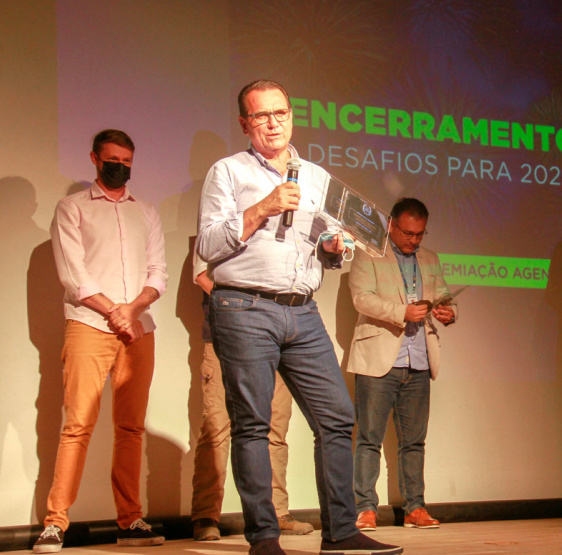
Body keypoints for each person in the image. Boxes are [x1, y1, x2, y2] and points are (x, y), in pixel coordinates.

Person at [196, 79, 401, 555]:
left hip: (301, 311)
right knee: (252, 424)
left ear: (292, 116)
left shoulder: (316, 177)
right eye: (262, 116)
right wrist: (263, 206)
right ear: (245, 123)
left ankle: (341, 530)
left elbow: (331, 249)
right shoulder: (226, 173)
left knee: (336, 416)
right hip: (243, 307)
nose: (273, 123)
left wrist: (334, 248)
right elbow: (207, 245)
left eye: (281, 113)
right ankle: (264, 538)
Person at [34, 130, 168, 553]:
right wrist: (116, 311)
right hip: (90, 326)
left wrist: (133, 310)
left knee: (130, 428)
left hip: (138, 330)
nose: (121, 167)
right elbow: (74, 277)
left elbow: (158, 272)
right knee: (77, 426)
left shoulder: (146, 211)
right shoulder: (71, 208)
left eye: (127, 161)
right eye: (113, 159)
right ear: (94, 159)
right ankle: (55, 522)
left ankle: (130, 520)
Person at [348, 198, 457, 532]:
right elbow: (361, 298)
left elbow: (443, 295)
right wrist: (401, 312)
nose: (414, 240)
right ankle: (365, 508)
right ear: (392, 225)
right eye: (408, 233)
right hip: (380, 358)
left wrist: (448, 313)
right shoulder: (369, 253)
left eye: (420, 234)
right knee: (369, 438)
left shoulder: (430, 258)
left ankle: (415, 508)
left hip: (419, 359)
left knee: (414, 441)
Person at [189, 255, 313, 540]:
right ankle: (206, 516)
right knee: (217, 427)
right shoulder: (218, 221)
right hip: (227, 335)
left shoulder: (282, 234)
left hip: (276, 338)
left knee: (275, 427)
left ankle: (276, 511)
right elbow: (202, 277)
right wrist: (251, 306)